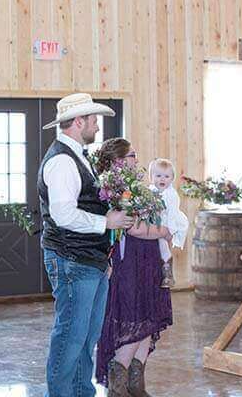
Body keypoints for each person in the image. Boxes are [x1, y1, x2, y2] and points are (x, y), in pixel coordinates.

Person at [38, 93, 135, 397]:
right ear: (78, 122)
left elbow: (87, 207)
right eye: (93, 120)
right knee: (71, 334)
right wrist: (106, 223)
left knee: (86, 336)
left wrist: (102, 255)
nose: (96, 126)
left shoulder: (77, 156)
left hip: (88, 260)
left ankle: (81, 392)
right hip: (71, 258)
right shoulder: (63, 161)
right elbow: (63, 214)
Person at [95, 138, 173, 397]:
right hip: (129, 264)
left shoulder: (133, 186)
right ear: (118, 160)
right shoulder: (113, 187)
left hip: (147, 262)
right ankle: (118, 388)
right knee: (133, 318)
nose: (136, 160)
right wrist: (164, 231)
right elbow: (134, 227)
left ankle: (135, 385)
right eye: (132, 155)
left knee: (147, 320)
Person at [147, 158, 189, 288]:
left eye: (166, 176)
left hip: (170, 221)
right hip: (155, 220)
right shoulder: (151, 190)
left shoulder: (171, 194)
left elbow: (172, 214)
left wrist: (169, 231)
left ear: (172, 179)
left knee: (163, 244)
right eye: (158, 176)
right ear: (151, 177)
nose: (162, 179)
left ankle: (167, 273)